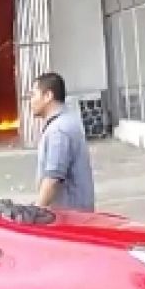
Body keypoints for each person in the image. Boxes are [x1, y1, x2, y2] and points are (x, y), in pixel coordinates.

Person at [30, 72, 96, 212]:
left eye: (33, 95)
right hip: (76, 212)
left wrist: (36, 212)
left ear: (48, 96)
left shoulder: (58, 130)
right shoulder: (66, 121)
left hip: (69, 215)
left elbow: (53, 178)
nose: (31, 101)